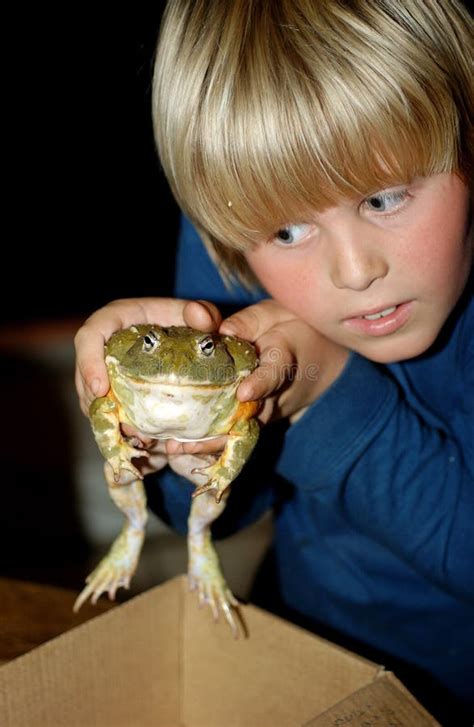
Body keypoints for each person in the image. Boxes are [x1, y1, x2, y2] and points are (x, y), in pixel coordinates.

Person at [75, 0, 474, 719]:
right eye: (287, 229)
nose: (354, 270)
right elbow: (206, 517)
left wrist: (326, 396)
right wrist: (162, 430)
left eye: (384, 197)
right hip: (308, 634)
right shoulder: (233, 226)